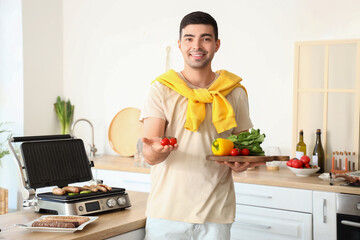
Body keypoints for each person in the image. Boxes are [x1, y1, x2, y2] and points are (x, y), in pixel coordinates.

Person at [140, 11, 264, 240]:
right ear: (179, 44)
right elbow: (149, 154)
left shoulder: (234, 92)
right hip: (167, 213)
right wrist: (157, 151)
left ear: (216, 45)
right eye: (189, 38)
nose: (196, 45)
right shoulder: (161, 89)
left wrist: (242, 162)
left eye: (205, 38)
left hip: (216, 214)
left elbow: (246, 148)